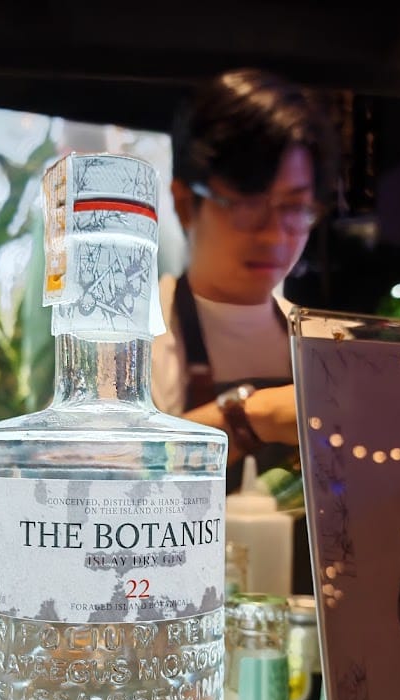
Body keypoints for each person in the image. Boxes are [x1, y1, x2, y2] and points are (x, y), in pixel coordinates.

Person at [152, 68, 338, 495]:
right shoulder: (134, 341)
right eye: (248, 204)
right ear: (184, 202)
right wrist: (250, 417)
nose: (274, 235)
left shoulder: (323, 344)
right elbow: (95, 481)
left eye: (294, 208)